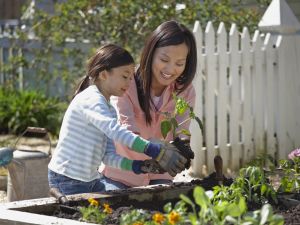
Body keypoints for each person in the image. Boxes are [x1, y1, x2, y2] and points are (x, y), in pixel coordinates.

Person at [48, 44, 187, 195]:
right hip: (68, 178)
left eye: (131, 77)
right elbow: (116, 132)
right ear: (104, 74)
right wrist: (154, 150)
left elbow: (108, 156)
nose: (129, 83)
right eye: (125, 76)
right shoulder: (91, 99)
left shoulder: (109, 109)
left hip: (90, 180)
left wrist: (139, 166)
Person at [101, 20, 197, 190]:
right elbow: (124, 133)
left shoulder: (184, 91)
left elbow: (182, 129)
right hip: (122, 173)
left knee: (162, 209)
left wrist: (184, 147)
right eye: (164, 59)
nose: (170, 69)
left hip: (160, 172)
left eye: (179, 63)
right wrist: (157, 147)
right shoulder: (126, 84)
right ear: (151, 53)